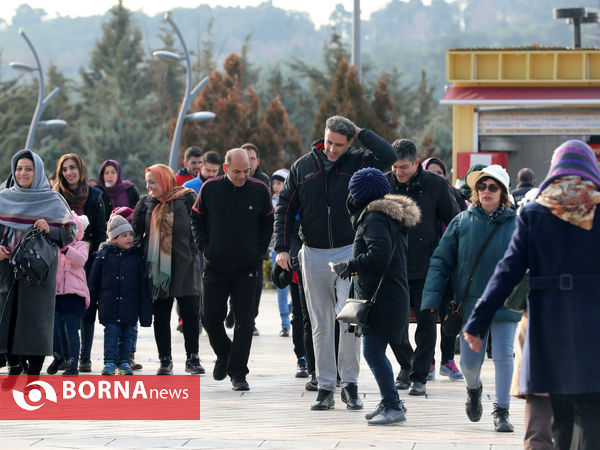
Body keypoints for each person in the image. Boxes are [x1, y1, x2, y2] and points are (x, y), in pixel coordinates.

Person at [463, 140, 600, 449]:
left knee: (560, 411)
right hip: (594, 322)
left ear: (554, 170)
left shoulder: (535, 212)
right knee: (592, 408)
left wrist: (477, 320)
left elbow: (508, 270)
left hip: (548, 324)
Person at [274, 115, 397, 411]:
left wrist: (360, 130)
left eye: (339, 144)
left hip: (348, 250)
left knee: (350, 320)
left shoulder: (359, 161)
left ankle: (350, 385)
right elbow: (285, 209)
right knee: (319, 323)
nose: (331, 149)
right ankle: (325, 386)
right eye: (328, 142)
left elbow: (389, 155)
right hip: (312, 252)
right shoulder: (302, 167)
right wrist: (281, 248)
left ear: (349, 141)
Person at [421, 164, 521, 432]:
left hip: (506, 303)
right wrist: (430, 299)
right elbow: (441, 260)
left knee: (504, 356)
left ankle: (502, 411)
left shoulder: (517, 224)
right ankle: (473, 388)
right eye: (482, 186)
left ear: (504, 193)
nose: (486, 191)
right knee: (469, 363)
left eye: (493, 187)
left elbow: (530, 264)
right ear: (475, 191)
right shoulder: (462, 221)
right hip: (471, 305)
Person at [335, 168, 420, 425]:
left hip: (382, 299)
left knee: (372, 352)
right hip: (389, 295)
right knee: (376, 351)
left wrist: (349, 266)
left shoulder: (375, 218)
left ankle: (393, 405)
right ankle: (389, 400)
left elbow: (379, 256)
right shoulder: (386, 216)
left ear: (358, 194)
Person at [191, 149, 273, 391]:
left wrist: (258, 250)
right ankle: (225, 354)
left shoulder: (259, 190)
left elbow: (268, 222)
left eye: (246, 171)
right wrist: (205, 246)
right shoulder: (210, 189)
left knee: (245, 321)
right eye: (237, 171)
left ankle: (238, 372)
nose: (242, 176)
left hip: (247, 267)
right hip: (216, 264)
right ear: (225, 168)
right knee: (209, 317)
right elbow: (196, 218)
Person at [386, 141, 461, 396]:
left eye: (404, 167)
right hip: (394, 265)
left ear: (417, 163)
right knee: (393, 324)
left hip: (428, 265)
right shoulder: (385, 183)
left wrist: (448, 256)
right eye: (395, 167)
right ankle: (406, 366)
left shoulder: (436, 185)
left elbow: (454, 221)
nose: (399, 172)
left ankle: (419, 376)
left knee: (427, 323)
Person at [0, 149, 76, 376]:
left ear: (38, 171)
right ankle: (13, 363)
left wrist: (49, 228)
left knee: (35, 320)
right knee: (7, 317)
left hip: (38, 272)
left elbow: (69, 233)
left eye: (29, 169)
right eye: (19, 168)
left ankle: (33, 373)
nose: (23, 173)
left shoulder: (52, 200)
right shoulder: (3, 197)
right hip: (6, 269)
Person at [132, 164, 204, 375]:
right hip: (158, 269)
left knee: (190, 312)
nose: (149, 186)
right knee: (161, 315)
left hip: (186, 265)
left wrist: (200, 249)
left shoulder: (188, 198)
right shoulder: (146, 203)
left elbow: (200, 227)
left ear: (165, 180)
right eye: (147, 182)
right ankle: (165, 360)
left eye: (153, 182)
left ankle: (193, 358)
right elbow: (136, 234)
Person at [54, 153, 107, 373]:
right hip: (61, 262)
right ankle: (65, 356)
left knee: (86, 309)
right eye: (65, 169)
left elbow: (101, 231)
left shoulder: (95, 196)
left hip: (88, 259)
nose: (69, 172)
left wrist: (86, 248)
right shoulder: (55, 196)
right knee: (60, 314)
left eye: (72, 167)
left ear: (81, 169)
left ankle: (84, 356)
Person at [87, 215, 152, 375]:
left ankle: (124, 361)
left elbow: (143, 288)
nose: (129, 238)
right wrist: (89, 310)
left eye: (130, 234)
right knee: (111, 333)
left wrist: (145, 315)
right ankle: (109, 361)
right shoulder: (102, 257)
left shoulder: (137, 259)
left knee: (127, 335)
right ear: (114, 239)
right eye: (124, 235)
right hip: (109, 305)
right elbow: (93, 285)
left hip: (130, 306)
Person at [48, 213, 90, 376]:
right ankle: (58, 356)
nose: (67, 234)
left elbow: (80, 260)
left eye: (71, 229)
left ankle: (73, 363)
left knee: (71, 330)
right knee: (54, 328)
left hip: (74, 295)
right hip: (57, 294)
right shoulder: (53, 245)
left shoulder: (81, 245)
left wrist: (65, 249)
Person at [241, 143, 270, 337]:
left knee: (255, 284)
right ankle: (235, 313)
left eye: (252, 159)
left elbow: (267, 216)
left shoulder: (263, 182)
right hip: (234, 243)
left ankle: (251, 319)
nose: (249, 163)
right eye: (246, 158)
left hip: (256, 244)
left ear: (257, 161)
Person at [270, 169, 291, 337]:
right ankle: (285, 324)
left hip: (295, 250)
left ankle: (291, 309)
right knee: (281, 287)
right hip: (276, 251)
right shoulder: (270, 203)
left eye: (280, 183)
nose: (276, 187)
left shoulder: (295, 201)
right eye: (274, 183)